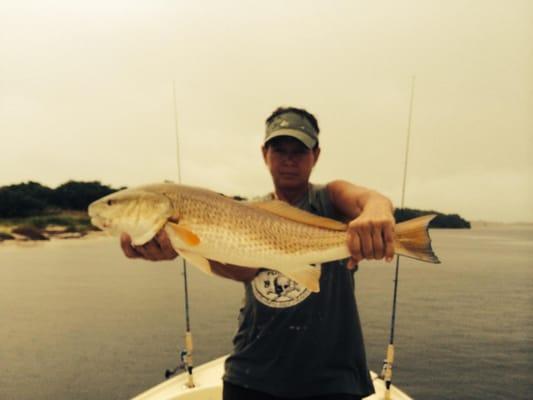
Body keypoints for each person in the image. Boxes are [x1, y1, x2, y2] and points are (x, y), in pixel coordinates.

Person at [121, 107, 395, 400]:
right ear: (265, 154)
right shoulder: (245, 213)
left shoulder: (330, 199)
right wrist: (181, 245)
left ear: (316, 155)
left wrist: (377, 212)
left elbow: (369, 199)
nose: (289, 160)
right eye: (279, 150)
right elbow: (243, 270)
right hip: (252, 376)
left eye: (299, 151)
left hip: (332, 381)